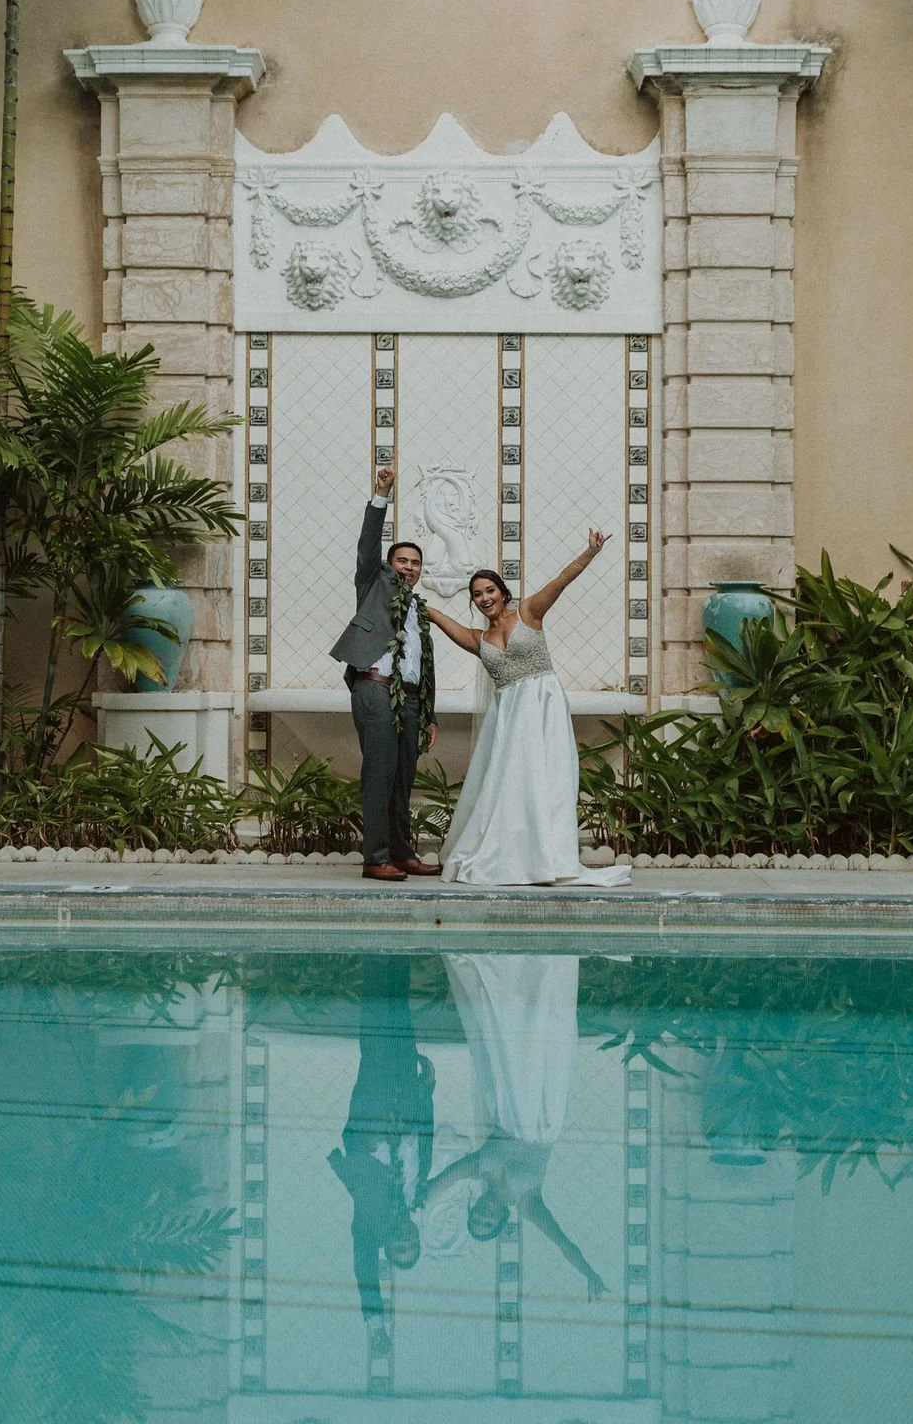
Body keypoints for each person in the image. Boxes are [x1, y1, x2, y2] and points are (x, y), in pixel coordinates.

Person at [427, 532, 632, 886]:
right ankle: (511, 856)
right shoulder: (477, 639)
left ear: (502, 593)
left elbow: (561, 580)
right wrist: (412, 603)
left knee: (546, 780)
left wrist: (591, 551)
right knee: (509, 783)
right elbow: (438, 617)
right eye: (477, 594)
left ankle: (548, 858)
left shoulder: (528, 612)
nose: (484, 598)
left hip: (543, 707)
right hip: (507, 718)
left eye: (489, 591)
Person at [424, 953, 607, 1301]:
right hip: (541, 1110)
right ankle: (543, 972)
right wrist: (588, 1272)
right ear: (499, 1221)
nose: (483, 1216)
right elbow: (561, 1241)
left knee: (502, 1031)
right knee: (547, 1029)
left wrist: (403, 1207)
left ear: (474, 1208)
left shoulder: (479, 1169)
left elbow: (436, 1186)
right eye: (486, 1223)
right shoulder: (527, 1202)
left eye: (476, 1218)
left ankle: (511, 974)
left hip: (508, 1099)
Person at [330, 461, 441, 881]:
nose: (409, 567)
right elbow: (368, 544)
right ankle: (375, 858)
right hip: (375, 689)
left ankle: (401, 851)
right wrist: (382, 494)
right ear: (389, 565)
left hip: (409, 700)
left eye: (416, 563)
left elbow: (424, 667)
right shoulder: (372, 585)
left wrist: (429, 713)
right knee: (379, 774)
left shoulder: (419, 611)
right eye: (402, 560)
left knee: (402, 778)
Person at [328, 956, 436, 1357]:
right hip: (406, 1091)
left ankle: (374, 954)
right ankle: (399, 949)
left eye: (399, 1246)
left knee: (376, 1015)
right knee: (401, 1012)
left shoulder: (368, 1220)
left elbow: (364, 1269)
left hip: (373, 1098)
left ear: (385, 1244)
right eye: (412, 1243)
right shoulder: (416, 1191)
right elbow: (425, 1136)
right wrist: (429, 1090)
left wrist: (376, 1325)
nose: (405, 1239)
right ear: (416, 1234)